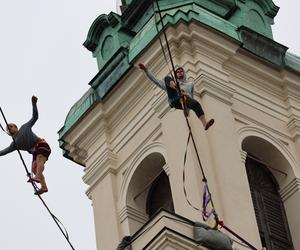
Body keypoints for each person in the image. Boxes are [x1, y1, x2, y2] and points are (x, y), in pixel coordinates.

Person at [138, 63, 214, 130]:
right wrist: (145, 70)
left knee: (196, 104)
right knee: (167, 78)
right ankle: (177, 89)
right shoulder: (171, 82)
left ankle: (205, 123)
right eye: (177, 72)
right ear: (175, 75)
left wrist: (187, 110)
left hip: (184, 100)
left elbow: (191, 97)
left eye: (181, 71)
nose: (180, 73)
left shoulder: (190, 84)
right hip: (174, 98)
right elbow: (156, 81)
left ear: (184, 73)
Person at [0, 96, 51, 195]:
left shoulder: (24, 127)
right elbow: (4, 152)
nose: (9, 128)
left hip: (41, 145)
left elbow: (35, 117)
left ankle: (37, 178)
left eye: (10, 126)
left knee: (40, 159)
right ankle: (44, 187)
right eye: (7, 128)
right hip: (36, 151)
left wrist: (34, 104)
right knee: (33, 168)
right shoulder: (14, 144)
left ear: (16, 127)